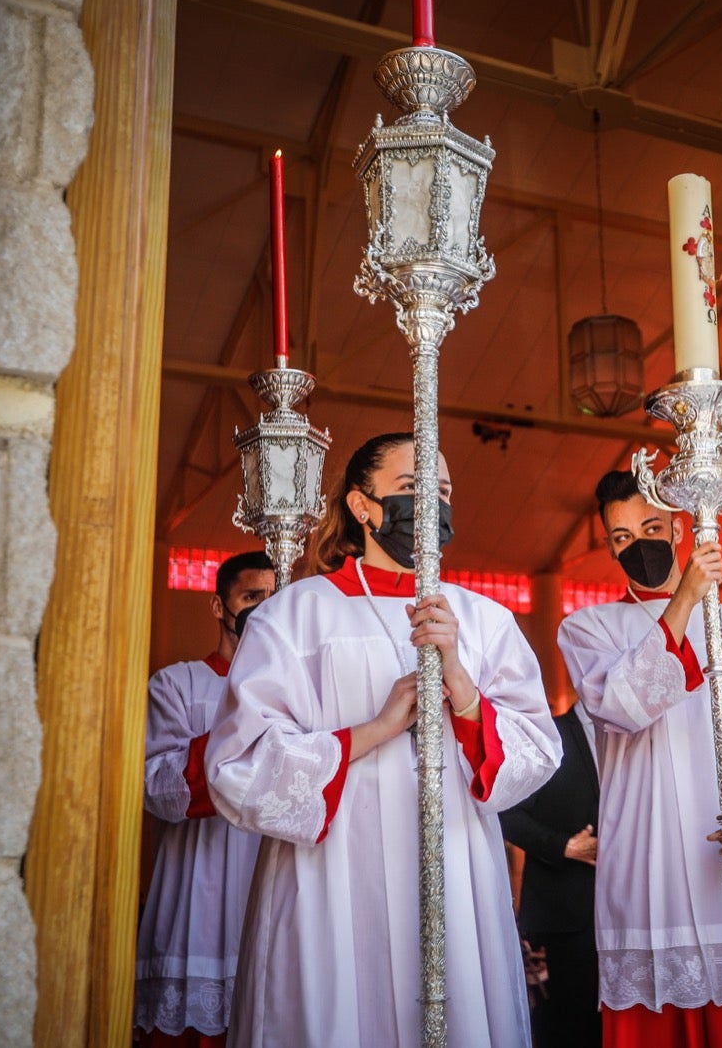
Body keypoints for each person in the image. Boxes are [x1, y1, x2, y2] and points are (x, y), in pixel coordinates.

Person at [205, 433, 561, 1047]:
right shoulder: (293, 616)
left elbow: (536, 750)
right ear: (362, 506)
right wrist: (373, 731)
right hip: (333, 874)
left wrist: (463, 688)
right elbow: (237, 765)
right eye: (411, 488)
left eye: (443, 491)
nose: (432, 503)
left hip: (453, 865)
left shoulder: (482, 620)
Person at [557, 470, 722, 1045]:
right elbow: (625, 704)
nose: (637, 545)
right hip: (647, 856)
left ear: (677, 526)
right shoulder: (587, 628)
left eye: (649, 527)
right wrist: (687, 596)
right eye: (621, 538)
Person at [135, 550, 274, 1046]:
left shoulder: (302, 695)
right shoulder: (176, 684)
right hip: (197, 892)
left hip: (269, 883)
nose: (263, 609)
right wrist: (240, 734)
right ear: (220, 606)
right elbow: (159, 789)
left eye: (273, 598)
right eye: (251, 597)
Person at [499, 697, 603, 1047]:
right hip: (569, 911)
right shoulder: (548, 735)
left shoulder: (640, 736)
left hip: (633, 908)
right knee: (573, 1028)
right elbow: (507, 814)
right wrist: (563, 846)